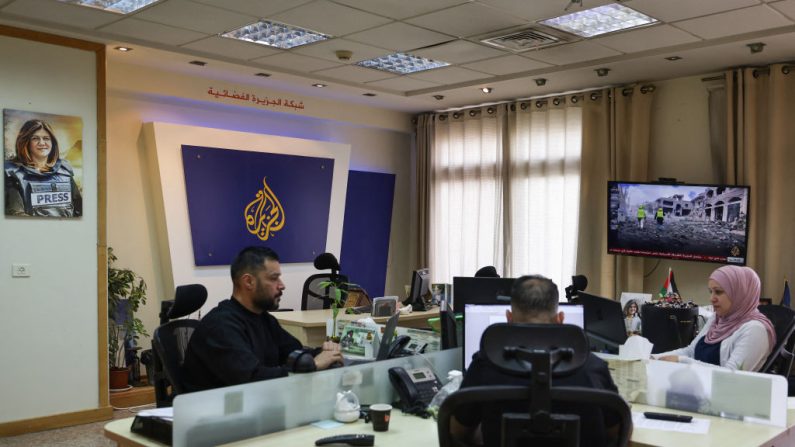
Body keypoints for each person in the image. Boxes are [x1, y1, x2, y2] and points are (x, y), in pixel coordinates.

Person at [451, 275, 622, 447]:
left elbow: (456, 432)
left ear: (509, 318)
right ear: (561, 319)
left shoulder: (484, 366)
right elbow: (619, 434)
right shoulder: (593, 368)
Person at [182, 246, 343, 392]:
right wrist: (314, 364)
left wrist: (325, 352)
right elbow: (252, 379)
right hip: (213, 416)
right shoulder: (220, 326)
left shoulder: (263, 318)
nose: (282, 285)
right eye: (274, 278)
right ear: (249, 281)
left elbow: (294, 352)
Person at [655, 265, 775, 371]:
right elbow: (690, 351)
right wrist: (654, 358)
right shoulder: (718, 318)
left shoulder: (755, 330)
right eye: (711, 292)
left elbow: (732, 376)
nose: (712, 298)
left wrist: (681, 361)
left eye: (718, 292)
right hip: (698, 387)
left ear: (739, 293)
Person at [4, 119, 82, 217]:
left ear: (52, 142)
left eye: (46, 138)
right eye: (35, 138)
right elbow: (15, 214)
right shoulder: (12, 173)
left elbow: (80, 211)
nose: (42, 143)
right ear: (25, 142)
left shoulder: (64, 171)